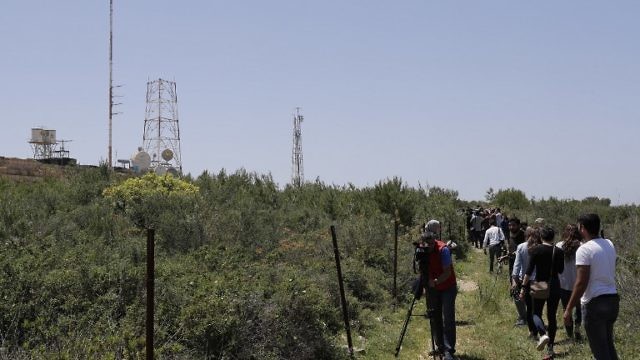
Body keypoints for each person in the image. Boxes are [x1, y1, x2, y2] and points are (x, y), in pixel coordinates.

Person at [563, 214, 619, 360]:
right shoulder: (609, 244)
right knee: (608, 346)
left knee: (600, 352)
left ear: (582, 228)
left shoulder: (584, 249)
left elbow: (581, 282)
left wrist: (568, 309)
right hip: (612, 300)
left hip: (595, 303)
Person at [520, 226, 564, 359]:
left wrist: (523, 287)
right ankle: (550, 348)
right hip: (555, 284)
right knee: (552, 315)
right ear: (553, 237)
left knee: (535, 313)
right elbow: (561, 270)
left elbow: (528, 272)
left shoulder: (536, 250)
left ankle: (542, 333)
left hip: (539, 284)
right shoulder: (559, 251)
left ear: (541, 237)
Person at [421, 220, 458, 360]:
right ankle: (440, 346)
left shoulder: (443, 250)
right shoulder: (423, 251)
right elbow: (423, 271)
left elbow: (447, 272)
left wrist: (435, 282)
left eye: (430, 244)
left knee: (447, 318)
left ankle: (449, 350)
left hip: (447, 286)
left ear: (434, 241)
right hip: (433, 288)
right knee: (434, 316)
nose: (428, 247)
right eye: (426, 245)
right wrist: (426, 286)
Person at [556, 224, 583, 342]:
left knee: (566, 309)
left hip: (563, 284)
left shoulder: (558, 246)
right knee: (579, 308)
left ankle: (570, 335)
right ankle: (577, 329)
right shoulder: (582, 246)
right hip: (578, 284)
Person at [512, 227, 541, 333]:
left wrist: (514, 280)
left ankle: (532, 332)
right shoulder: (541, 247)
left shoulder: (521, 247)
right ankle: (539, 327)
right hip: (539, 281)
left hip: (525, 281)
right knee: (537, 307)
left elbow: (517, 266)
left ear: (526, 236)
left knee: (529, 307)